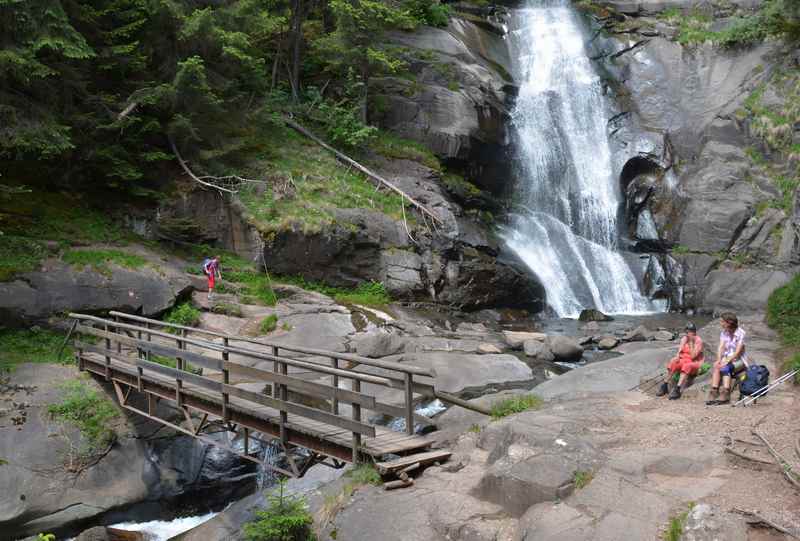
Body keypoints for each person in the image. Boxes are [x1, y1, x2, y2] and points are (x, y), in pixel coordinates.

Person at [706, 312, 749, 405]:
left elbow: (738, 351)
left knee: (725, 367)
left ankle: (726, 393)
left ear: (728, 323)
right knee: (717, 366)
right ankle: (714, 391)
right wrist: (718, 359)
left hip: (739, 360)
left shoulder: (741, 333)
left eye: (722, 321)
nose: (720, 323)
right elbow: (721, 347)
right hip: (727, 358)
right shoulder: (724, 333)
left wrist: (727, 361)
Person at [656, 322, 704, 400]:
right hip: (683, 360)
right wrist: (677, 357)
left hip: (694, 363)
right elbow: (679, 352)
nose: (688, 334)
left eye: (690, 332)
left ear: (694, 332)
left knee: (686, 366)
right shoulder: (684, 339)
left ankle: (677, 389)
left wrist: (691, 343)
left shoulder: (698, 341)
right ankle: (665, 385)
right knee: (673, 362)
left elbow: (693, 356)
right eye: (687, 332)